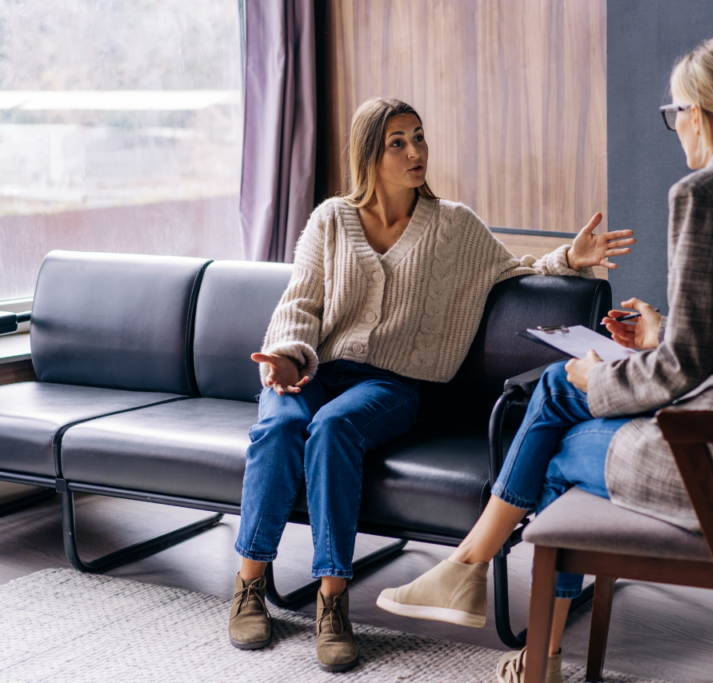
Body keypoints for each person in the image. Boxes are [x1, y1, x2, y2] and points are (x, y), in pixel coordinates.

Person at [377, 37, 713, 683]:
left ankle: (500, 606)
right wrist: (662, 332)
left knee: (559, 432)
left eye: (674, 113)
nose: (675, 127)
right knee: (563, 396)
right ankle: (487, 590)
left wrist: (607, 373)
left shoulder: (707, 193)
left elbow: (682, 371)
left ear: (697, 114)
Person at [226, 96, 636, 672]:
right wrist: (288, 360)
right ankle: (249, 585)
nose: (416, 151)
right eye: (399, 142)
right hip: (312, 367)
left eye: (419, 137)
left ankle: (332, 601)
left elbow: (511, 269)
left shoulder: (452, 226)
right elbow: (301, 304)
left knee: (333, 429)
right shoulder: (330, 220)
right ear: (370, 154)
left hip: (389, 385)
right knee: (280, 426)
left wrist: (572, 256)